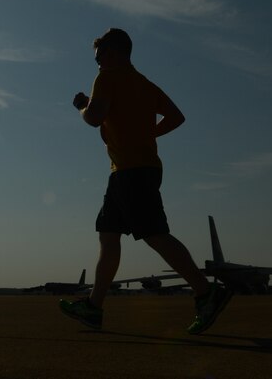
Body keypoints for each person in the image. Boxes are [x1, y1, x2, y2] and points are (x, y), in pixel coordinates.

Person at [59, 28, 231, 334]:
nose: (98, 64)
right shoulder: (144, 84)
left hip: (132, 171)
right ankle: (94, 306)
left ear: (114, 54)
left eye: (101, 58)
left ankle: (206, 293)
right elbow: (176, 117)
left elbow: (94, 117)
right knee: (109, 234)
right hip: (132, 169)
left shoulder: (107, 78)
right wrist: (148, 133)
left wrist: (82, 107)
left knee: (154, 234)